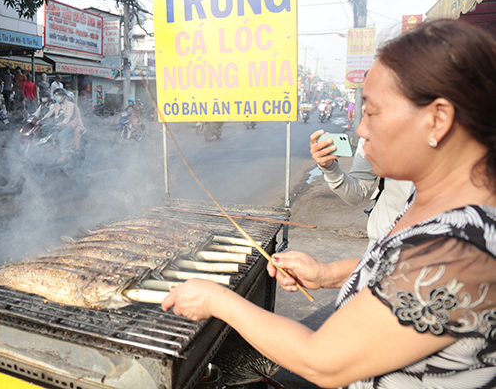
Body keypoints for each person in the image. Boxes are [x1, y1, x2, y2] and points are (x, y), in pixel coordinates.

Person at [162, 19, 496, 388]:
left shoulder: (462, 249)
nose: (360, 129)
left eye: (372, 111)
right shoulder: (440, 205)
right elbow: (403, 274)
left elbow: (322, 361)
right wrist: (329, 273)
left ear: (438, 119)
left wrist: (216, 300)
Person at [310, 132, 414, 248]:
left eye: (373, 114)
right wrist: (330, 168)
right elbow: (355, 194)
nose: (360, 129)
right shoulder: (371, 136)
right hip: (381, 246)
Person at [55, 89, 85, 161]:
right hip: (63, 126)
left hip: (73, 126)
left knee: (61, 135)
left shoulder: (74, 107)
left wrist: (69, 125)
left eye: (66, 98)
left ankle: (63, 154)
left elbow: (77, 118)